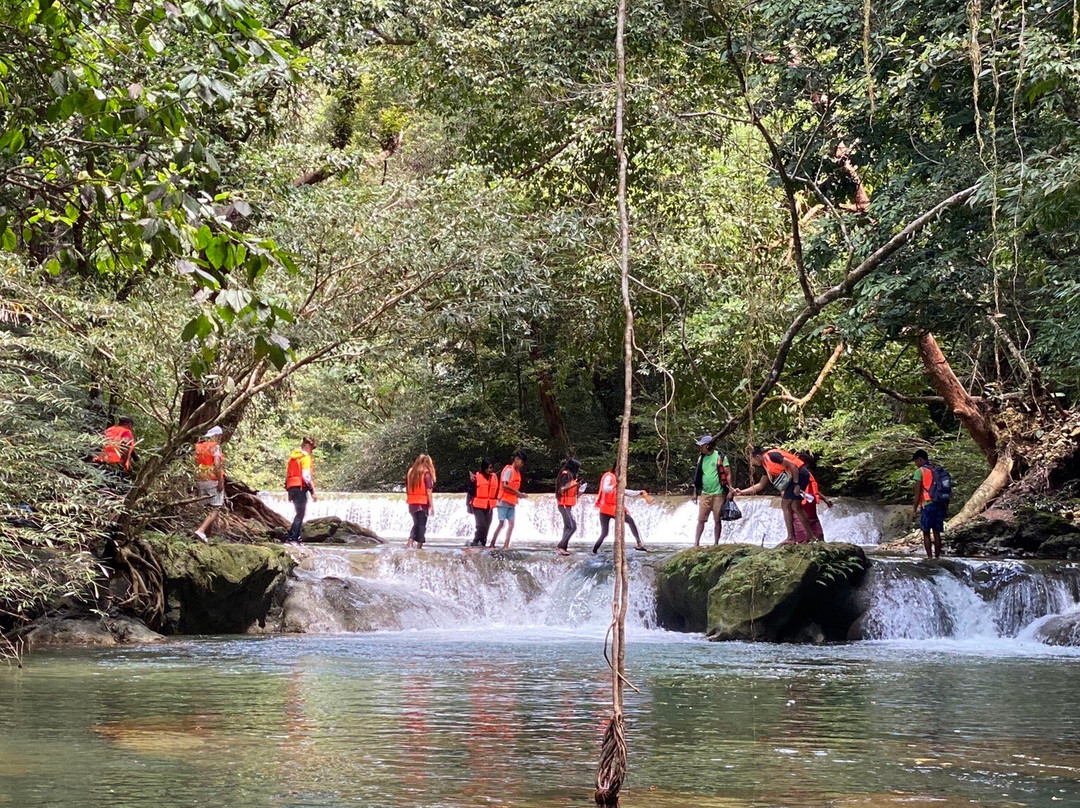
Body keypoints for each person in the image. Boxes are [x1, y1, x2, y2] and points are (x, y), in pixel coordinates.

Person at [735, 446, 816, 545]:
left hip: (799, 474)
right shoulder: (765, 465)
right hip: (795, 477)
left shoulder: (772, 456)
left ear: (757, 457)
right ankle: (810, 536)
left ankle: (791, 538)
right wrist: (742, 492)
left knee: (785, 505)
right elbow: (760, 485)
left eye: (752, 460)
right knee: (796, 507)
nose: (752, 464)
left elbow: (793, 466)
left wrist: (796, 485)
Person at [592, 460, 651, 554]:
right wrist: (615, 485)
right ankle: (639, 543)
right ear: (617, 468)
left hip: (607, 509)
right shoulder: (609, 476)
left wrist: (639, 492)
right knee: (608, 531)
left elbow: (624, 491)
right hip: (611, 509)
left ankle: (594, 550)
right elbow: (605, 489)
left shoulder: (616, 479)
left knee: (605, 532)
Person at [692, 435, 733, 546]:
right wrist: (695, 492)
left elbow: (728, 474)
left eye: (702, 445)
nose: (700, 448)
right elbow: (698, 476)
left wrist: (730, 490)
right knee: (701, 520)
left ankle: (716, 543)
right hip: (705, 493)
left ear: (708, 445)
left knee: (717, 520)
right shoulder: (701, 458)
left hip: (719, 493)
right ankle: (696, 543)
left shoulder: (720, 457)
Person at [790, 453, 833, 544]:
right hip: (800, 509)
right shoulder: (794, 474)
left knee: (819, 536)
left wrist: (825, 499)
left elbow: (814, 490)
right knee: (803, 536)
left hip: (811, 510)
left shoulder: (807, 474)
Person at [489, 450, 527, 549]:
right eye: (521, 462)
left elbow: (514, 487)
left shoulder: (517, 472)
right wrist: (518, 493)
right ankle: (492, 542)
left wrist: (519, 494)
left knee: (511, 524)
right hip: (503, 501)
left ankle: (506, 545)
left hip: (511, 502)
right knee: (502, 524)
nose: (522, 465)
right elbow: (504, 485)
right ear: (516, 460)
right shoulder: (509, 470)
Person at [193, 426, 225, 543]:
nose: (220, 438)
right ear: (217, 436)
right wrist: (220, 481)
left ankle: (206, 536)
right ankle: (201, 531)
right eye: (220, 436)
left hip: (201, 479)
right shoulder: (215, 447)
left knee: (206, 508)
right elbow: (217, 464)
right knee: (216, 508)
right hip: (213, 480)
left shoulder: (198, 447)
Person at [912, 449, 945, 559]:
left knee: (926, 532)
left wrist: (914, 509)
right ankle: (937, 557)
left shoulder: (920, 471)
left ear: (920, 459)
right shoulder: (937, 469)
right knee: (936, 532)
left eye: (916, 461)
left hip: (927, 504)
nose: (916, 464)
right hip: (939, 503)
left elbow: (917, 493)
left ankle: (929, 557)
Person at [285, 437, 318, 544]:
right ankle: (294, 538)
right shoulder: (305, 458)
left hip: (291, 487)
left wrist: (288, 490)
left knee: (298, 513)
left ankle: (292, 536)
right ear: (307, 447)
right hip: (300, 487)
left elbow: (287, 476)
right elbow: (306, 476)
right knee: (300, 514)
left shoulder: (292, 458)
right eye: (311, 449)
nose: (311, 452)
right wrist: (312, 491)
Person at [555, 458, 586, 556]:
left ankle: (564, 548)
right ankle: (560, 546)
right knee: (572, 526)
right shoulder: (565, 475)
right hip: (563, 504)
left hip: (568, 505)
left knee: (568, 526)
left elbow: (572, 493)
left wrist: (579, 488)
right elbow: (561, 490)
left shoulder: (571, 477)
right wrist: (574, 485)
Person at [406, 454, 436, 549]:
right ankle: (417, 546)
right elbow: (428, 490)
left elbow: (407, 487)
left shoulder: (411, 472)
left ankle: (410, 544)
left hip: (412, 502)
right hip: (422, 503)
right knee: (422, 525)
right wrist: (431, 505)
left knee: (416, 524)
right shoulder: (426, 474)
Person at [467, 458, 499, 547]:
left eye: (491, 468)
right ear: (484, 467)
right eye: (488, 468)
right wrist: (468, 507)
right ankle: (475, 541)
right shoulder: (476, 477)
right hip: (478, 505)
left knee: (487, 527)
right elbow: (470, 492)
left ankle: (482, 543)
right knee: (481, 525)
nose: (490, 470)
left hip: (489, 506)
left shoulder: (494, 477)